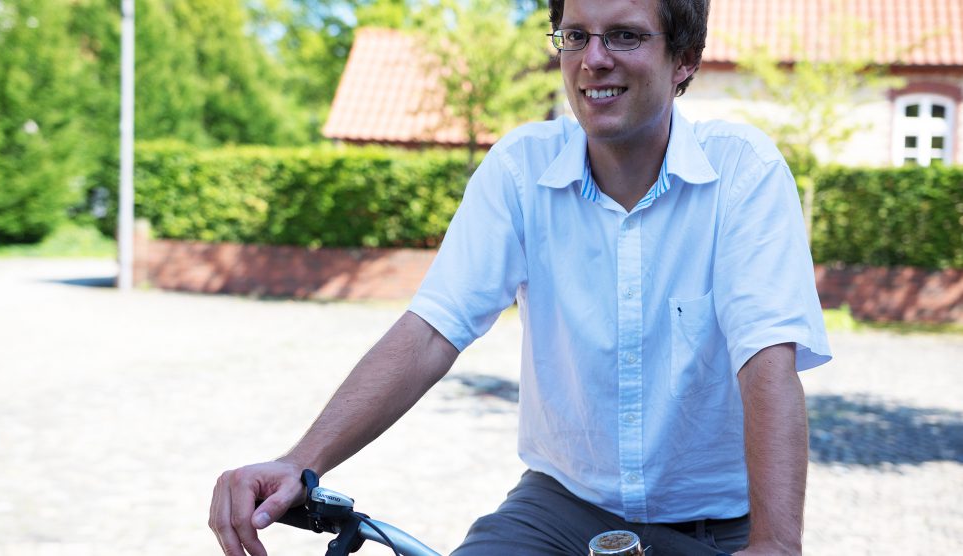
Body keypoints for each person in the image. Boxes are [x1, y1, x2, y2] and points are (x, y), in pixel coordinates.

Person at [208, 0, 832, 553]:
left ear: (684, 60)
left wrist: (776, 542)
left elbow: (765, 357)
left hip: (715, 526)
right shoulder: (518, 168)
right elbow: (432, 329)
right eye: (575, 35)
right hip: (559, 510)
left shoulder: (744, 172)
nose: (593, 59)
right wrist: (300, 464)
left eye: (624, 36)